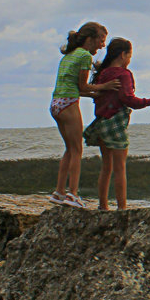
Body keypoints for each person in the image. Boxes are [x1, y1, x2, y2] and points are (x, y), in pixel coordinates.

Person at [82, 38, 150, 210]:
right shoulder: (123, 74)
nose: (130, 60)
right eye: (129, 56)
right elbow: (128, 99)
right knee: (120, 169)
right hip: (116, 123)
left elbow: (98, 96)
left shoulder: (103, 74)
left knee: (106, 167)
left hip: (101, 122)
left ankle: (103, 205)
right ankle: (122, 208)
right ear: (123, 55)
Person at [50, 22, 120, 208]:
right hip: (68, 104)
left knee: (69, 149)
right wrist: (105, 87)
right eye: (101, 41)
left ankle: (59, 192)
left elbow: (77, 88)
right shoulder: (84, 56)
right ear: (90, 39)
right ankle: (72, 194)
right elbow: (83, 86)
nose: (102, 46)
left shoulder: (68, 56)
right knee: (77, 150)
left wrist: (93, 94)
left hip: (56, 103)